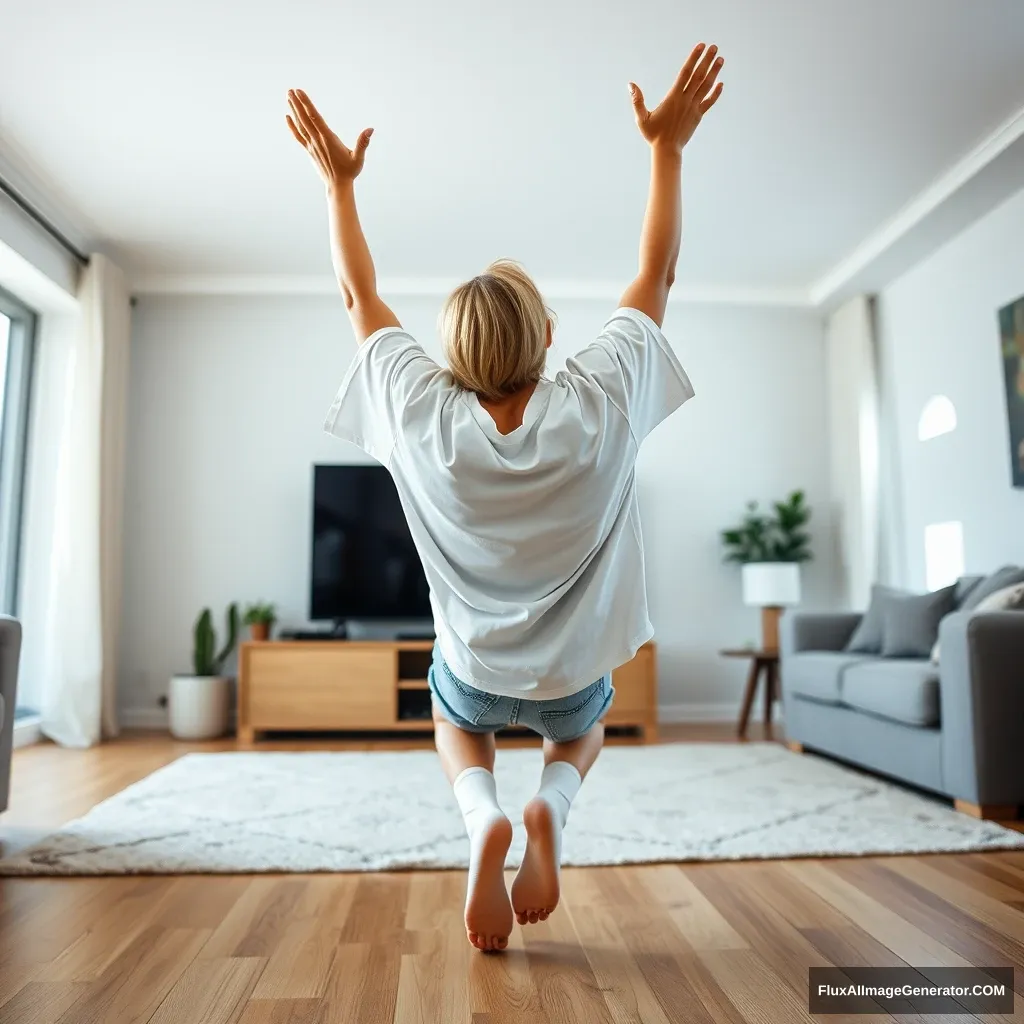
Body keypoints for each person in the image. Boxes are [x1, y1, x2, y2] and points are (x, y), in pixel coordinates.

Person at [286, 41, 725, 952]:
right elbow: (658, 273)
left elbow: (354, 291)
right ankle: (551, 807)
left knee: (453, 724)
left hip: (475, 674)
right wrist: (667, 148)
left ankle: (482, 813)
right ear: (550, 335)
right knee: (582, 733)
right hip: (571, 680)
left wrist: (339, 185)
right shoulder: (598, 397)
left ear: (450, 354)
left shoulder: (419, 411)